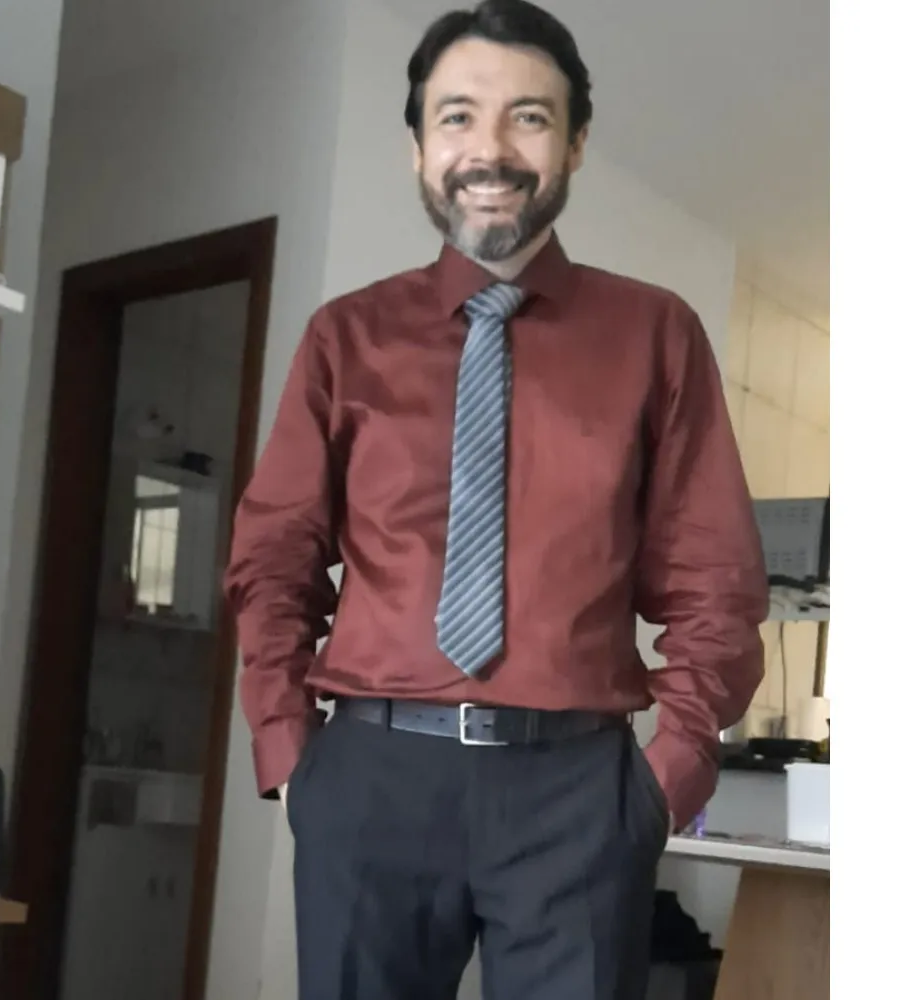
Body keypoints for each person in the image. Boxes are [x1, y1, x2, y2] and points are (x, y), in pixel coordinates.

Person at [224, 1, 768, 997]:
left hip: (578, 794)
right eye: (458, 116)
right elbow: (273, 559)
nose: (490, 148)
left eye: (529, 116)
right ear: (418, 147)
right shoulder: (346, 337)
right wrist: (290, 749)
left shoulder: (657, 334)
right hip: (371, 778)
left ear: (575, 143)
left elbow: (716, 580)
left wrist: (667, 776)